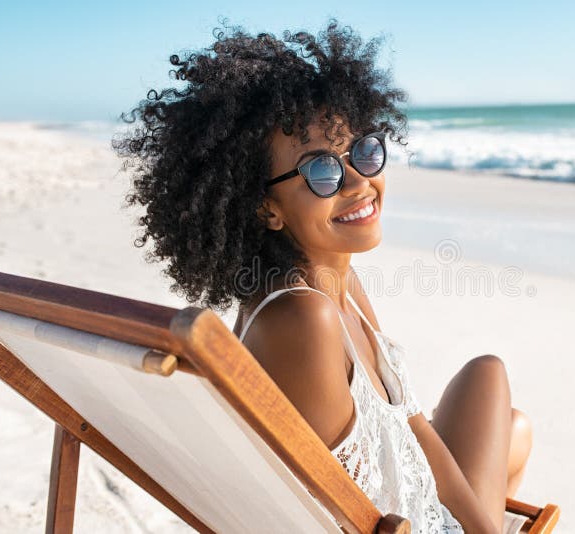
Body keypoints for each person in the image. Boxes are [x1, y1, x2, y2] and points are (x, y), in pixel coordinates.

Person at [113, 18, 532, 533]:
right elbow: (334, 513)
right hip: (396, 525)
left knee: (507, 416)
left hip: (406, 494)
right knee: (502, 408)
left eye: (361, 151)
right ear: (267, 208)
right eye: (321, 170)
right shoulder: (302, 316)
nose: (358, 181)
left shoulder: (337, 285)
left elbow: (411, 423)